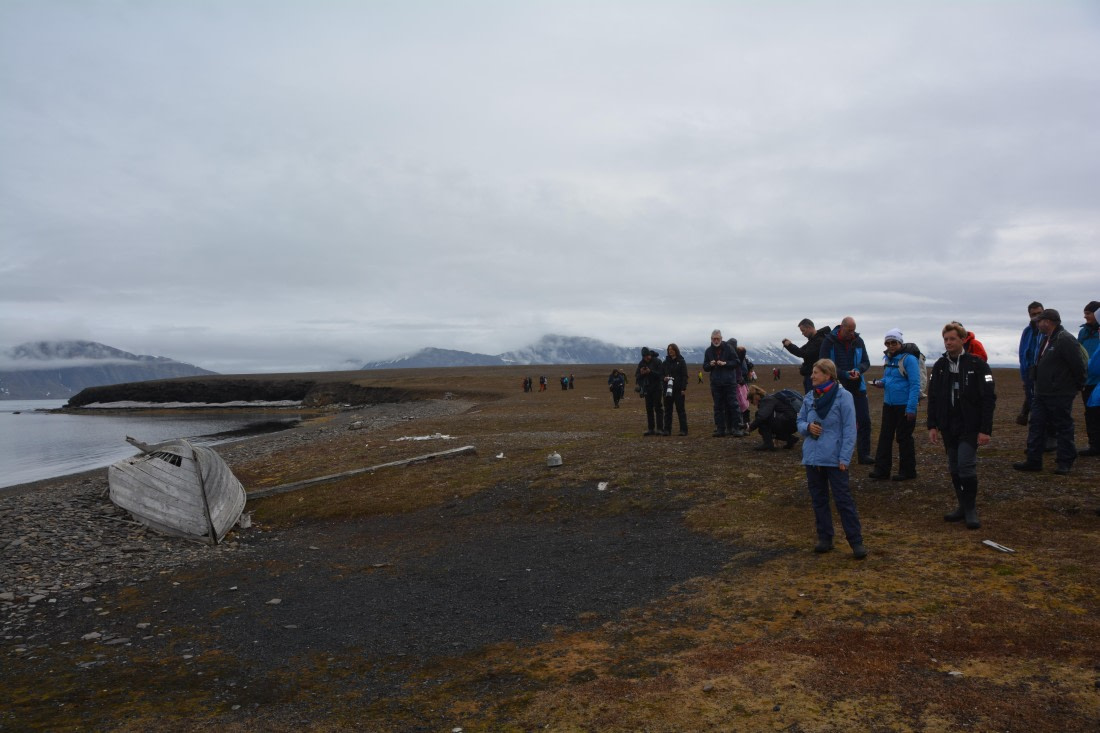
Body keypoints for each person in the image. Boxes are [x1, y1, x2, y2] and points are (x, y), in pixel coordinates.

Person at [927, 323, 996, 529]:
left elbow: (988, 398)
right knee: (954, 466)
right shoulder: (940, 366)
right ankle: (963, 506)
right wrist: (932, 425)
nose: (948, 343)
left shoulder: (977, 364)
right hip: (948, 425)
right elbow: (933, 397)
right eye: (945, 339)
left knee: (966, 464)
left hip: (970, 424)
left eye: (952, 339)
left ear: (963, 340)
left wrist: (985, 429)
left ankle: (971, 509)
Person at [797, 359, 867, 559]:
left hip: (835, 459)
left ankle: (856, 541)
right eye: (812, 373)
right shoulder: (809, 397)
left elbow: (849, 429)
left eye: (816, 373)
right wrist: (807, 427)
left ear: (828, 375)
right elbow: (799, 420)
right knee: (818, 500)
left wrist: (845, 458)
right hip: (813, 457)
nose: (812, 376)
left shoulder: (844, 397)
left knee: (843, 500)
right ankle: (825, 538)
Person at [1013, 309, 1087, 475]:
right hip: (1042, 392)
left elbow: (1078, 365)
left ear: (1048, 321)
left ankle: (1065, 462)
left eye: (1039, 321)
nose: (1037, 324)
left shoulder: (1065, 339)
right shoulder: (1047, 339)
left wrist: (1078, 385)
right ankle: (1033, 461)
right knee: (1036, 425)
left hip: (1060, 393)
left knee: (1063, 427)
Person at [868, 329, 921, 481]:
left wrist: (911, 408)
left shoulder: (909, 359)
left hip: (904, 405)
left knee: (904, 438)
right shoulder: (888, 359)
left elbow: (915, 384)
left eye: (894, 342)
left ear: (900, 343)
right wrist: (880, 383)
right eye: (888, 343)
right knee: (885, 436)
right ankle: (881, 470)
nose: (890, 346)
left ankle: (908, 471)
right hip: (889, 404)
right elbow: (888, 378)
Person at [820, 317, 873, 464]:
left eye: (853, 330)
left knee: (864, 421)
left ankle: (864, 454)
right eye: (849, 330)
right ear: (841, 327)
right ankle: (836, 454)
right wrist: (843, 374)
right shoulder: (829, 342)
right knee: (837, 422)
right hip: (835, 388)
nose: (852, 333)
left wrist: (858, 370)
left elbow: (866, 362)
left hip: (857, 387)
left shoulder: (858, 341)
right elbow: (823, 364)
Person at [703, 330, 746, 437]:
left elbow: (736, 362)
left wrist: (725, 363)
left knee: (733, 405)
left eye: (717, 338)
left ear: (721, 338)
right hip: (716, 383)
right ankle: (720, 429)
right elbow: (705, 367)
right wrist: (710, 364)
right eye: (714, 339)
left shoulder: (729, 348)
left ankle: (737, 428)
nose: (715, 340)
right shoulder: (708, 351)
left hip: (729, 382)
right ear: (711, 339)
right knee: (718, 407)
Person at [783, 318, 831, 394]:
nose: (803, 333)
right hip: (812, 375)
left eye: (803, 330)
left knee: (812, 398)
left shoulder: (819, 341)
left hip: (815, 376)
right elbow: (801, 351)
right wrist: (789, 346)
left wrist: (789, 345)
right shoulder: (813, 341)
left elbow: (804, 353)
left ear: (809, 328)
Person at [1077, 301, 1100, 456]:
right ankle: (1094, 445)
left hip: (1098, 380)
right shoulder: (1083, 332)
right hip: (1088, 380)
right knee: (1090, 413)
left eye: (1088, 313)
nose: (1085, 317)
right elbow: (1078, 351)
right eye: (1085, 313)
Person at [747, 385, 800, 450]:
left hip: (788, 422)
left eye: (752, 401)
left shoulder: (766, 400)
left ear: (755, 396)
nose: (752, 403)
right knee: (768, 424)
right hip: (792, 423)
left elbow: (762, 417)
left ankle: (768, 443)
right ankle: (791, 439)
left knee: (761, 420)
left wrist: (751, 427)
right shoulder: (770, 398)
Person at [1017, 301, 1044, 425]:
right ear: (1029, 315)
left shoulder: (1048, 331)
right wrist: (1024, 377)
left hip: (1044, 375)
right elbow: (1022, 355)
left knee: (1042, 407)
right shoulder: (1027, 331)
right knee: (1033, 406)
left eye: (1039, 313)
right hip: (1029, 375)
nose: (1037, 316)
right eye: (1034, 314)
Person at [635, 347, 666, 436]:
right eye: (645, 356)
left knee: (658, 408)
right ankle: (651, 429)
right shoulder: (641, 363)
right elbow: (637, 376)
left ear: (650, 354)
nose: (647, 358)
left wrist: (650, 372)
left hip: (657, 388)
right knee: (649, 409)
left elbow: (661, 375)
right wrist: (641, 374)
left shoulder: (657, 361)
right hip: (647, 389)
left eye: (648, 355)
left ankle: (660, 429)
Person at [662, 343, 689, 436]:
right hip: (668, 390)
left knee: (680, 410)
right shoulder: (665, 363)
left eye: (672, 350)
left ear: (676, 350)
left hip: (678, 390)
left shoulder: (681, 362)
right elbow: (661, 374)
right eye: (669, 350)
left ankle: (683, 430)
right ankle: (667, 430)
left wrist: (683, 388)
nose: (670, 351)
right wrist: (664, 378)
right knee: (667, 410)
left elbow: (684, 376)